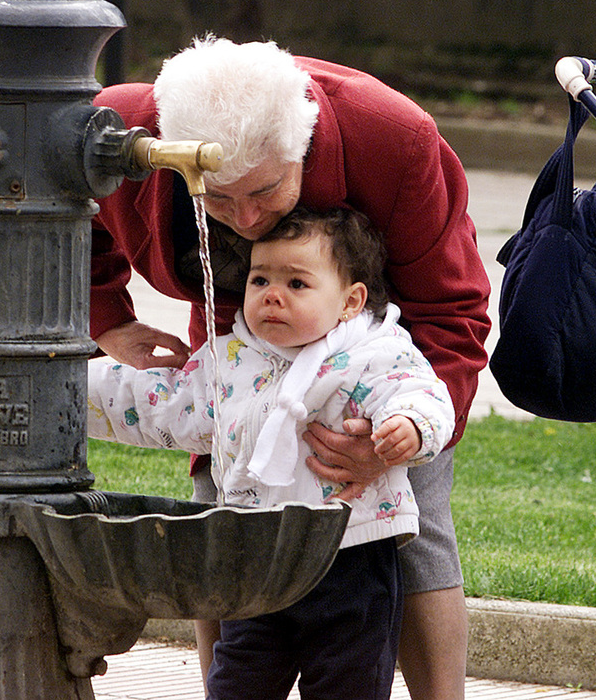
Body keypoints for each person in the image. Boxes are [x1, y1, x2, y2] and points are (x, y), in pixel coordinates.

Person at [90, 36, 492, 700]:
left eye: (267, 190)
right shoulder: (120, 132)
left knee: (415, 529)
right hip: (236, 347)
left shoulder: (396, 140)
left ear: (301, 146)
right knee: (221, 524)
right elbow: (57, 210)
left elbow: (453, 315)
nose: (246, 220)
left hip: (385, 359)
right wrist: (108, 319)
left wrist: (409, 433)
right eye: (218, 201)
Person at [88, 206, 455, 700]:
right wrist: (65, 392)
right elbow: (158, 401)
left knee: (350, 686)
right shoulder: (231, 360)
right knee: (238, 683)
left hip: (350, 560)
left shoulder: (375, 353)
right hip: (254, 562)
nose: (272, 295)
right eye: (260, 280)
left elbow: (423, 393)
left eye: (297, 284)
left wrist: (410, 426)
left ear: (350, 301)